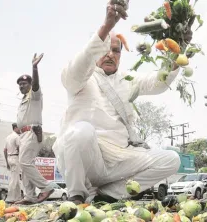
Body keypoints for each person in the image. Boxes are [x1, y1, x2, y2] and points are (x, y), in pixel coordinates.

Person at [52, 0, 192, 204]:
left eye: (116, 50)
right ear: (96, 48)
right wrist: (107, 26)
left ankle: (109, 195)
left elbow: (158, 83)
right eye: (105, 49)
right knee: (80, 131)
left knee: (171, 159)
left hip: (121, 159)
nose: (110, 54)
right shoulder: (82, 76)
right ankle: (77, 195)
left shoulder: (128, 79)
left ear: (121, 54)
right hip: (88, 159)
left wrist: (179, 47)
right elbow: (76, 71)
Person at [14, 53, 54, 204]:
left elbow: (36, 86)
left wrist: (34, 68)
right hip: (23, 135)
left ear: (30, 84)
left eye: (24, 83)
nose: (22, 86)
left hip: (32, 132)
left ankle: (46, 187)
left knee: (25, 162)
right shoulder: (23, 99)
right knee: (24, 165)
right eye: (20, 84)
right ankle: (30, 196)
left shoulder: (34, 95)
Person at [4, 123, 22, 203]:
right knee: (14, 179)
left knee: (16, 178)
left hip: (9, 157)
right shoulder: (16, 137)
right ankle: (10, 198)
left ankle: (18, 198)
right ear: (15, 128)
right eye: (19, 128)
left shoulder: (8, 137)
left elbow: (5, 150)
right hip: (15, 157)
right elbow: (19, 148)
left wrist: (7, 162)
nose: (20, 129)